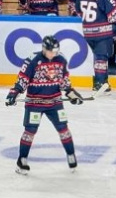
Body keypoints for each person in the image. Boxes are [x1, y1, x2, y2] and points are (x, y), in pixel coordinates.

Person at [5, 35, 82, 175]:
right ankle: (22, 160)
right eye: (51, 51)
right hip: (35, 103)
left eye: (56, 51)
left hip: (54, 102)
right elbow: (22, 80)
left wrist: (72, 95)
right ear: (44, 49)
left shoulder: (61, 60)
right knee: (30, 131)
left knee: (63, 129)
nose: (54, 54)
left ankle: (71, 154)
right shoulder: (33, 60)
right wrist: (13, 94)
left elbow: (65, 83)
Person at [76, 0, 116, 92]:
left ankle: (103, 82)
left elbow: (78, 11)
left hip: (87, 32)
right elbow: (113, 15)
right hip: (102, 32)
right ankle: (99, 83)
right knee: (101, 58)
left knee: (96, 57)